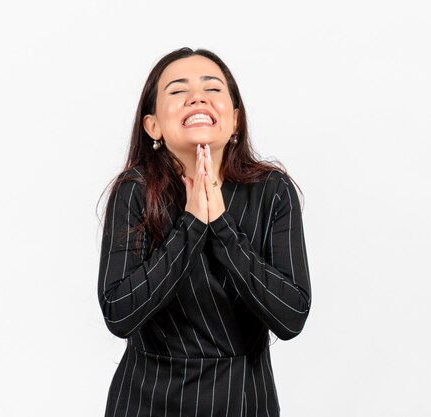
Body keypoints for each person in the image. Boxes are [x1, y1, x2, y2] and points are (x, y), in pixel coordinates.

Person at [97, 47, 311, 417]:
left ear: (236, 120)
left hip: (243, 399)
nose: (197, 97)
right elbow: (119, 313)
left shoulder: (273, 191)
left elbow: (291, 316)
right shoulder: (134, 191)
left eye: (212, 89)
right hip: (147, 400)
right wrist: (191, 224)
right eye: (178, 91)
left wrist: (224, 230)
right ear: (153, 126)